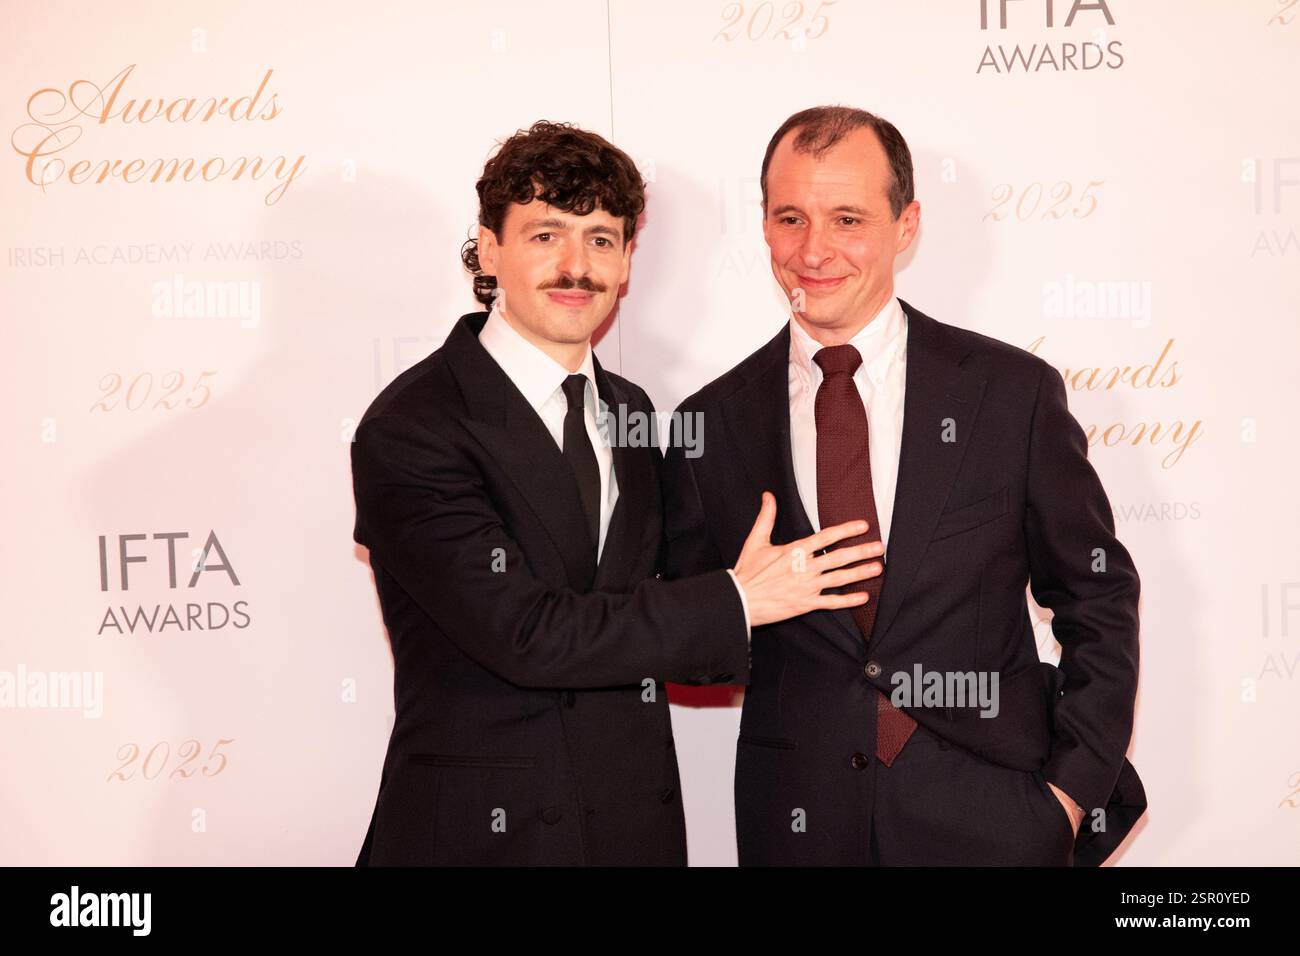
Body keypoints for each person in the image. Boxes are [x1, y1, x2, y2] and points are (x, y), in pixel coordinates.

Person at [350, 120, 881, 865]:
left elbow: (680, 611)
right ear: (490, 246)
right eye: (545, 235)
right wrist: (736, 600)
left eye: (601, 239)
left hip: (635, 833)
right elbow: (527, 636)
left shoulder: (634, 413)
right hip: (477, 840)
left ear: (629, 259)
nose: (576, 266)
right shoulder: (412, 427)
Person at [663, 105, 1146, 866]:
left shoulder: (1009, 394)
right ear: (762, 224)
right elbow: (692, 653)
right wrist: (737, 602)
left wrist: (1068, 797)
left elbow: (1098, 595)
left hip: (996, 814)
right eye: (791, 217)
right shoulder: (708, 424)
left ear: (906, 224)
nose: (814, 250)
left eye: (847, 218)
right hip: (796, 825)